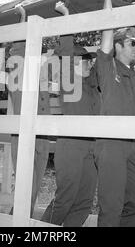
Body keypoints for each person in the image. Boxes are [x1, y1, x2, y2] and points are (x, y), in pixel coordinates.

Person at [93, 0, 135, 227]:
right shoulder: (107, 65)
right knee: (111, 207)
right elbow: (107, 26)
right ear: (117, 46)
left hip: (132, 145)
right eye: (131, 43)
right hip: (110, 146)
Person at [41, 34, 100, 226]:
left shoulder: (93, 85)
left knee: (85, 201)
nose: (91, 65)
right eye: (87, 61)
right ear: (74, 63)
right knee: (65, 198)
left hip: (92, 148)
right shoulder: (69, 81)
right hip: (71, 146)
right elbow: (66, 51)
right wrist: (67, 18)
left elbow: (109, 56)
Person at [8, 41, 51, 217]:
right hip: (24, 135)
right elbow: (17, 52)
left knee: (32, 191)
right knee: (26, 188)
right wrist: (22, 18)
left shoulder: (42, 74)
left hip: (42, 136)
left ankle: (18, 222)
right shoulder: (19, 72)